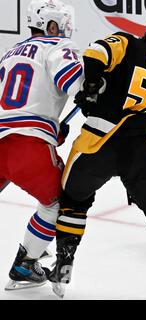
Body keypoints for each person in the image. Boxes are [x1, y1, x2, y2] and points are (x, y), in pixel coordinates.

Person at [46, 11, 146, 298]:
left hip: (98, 140)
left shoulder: (127, 43)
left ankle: (64, 263)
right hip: (143, 152)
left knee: (74, 201)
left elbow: (95, 52)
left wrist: (92, 84)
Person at [0, 0, 81, 290]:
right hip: (27, 145)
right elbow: (76, 83)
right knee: (60, 206)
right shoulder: (57, 47)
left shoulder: (9, 52)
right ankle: (26, 263)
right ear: (51, 24)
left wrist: (53, 129)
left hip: (6, 137)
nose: (68, 30)